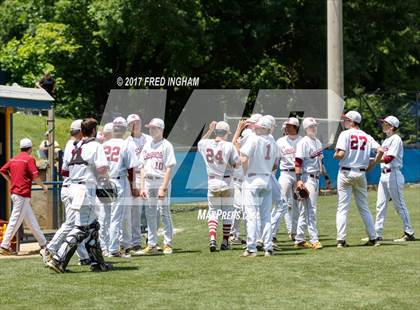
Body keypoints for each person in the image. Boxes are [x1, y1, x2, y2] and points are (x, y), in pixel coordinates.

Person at [47, 118, 112, 273]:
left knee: (92, 227)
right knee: (81, 228)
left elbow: (65, 171)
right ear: (94, 131)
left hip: (73, 187)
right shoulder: (96, 145)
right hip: (84, 189)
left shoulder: (74, 145)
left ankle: (98, 263)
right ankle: (58, 259)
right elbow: (102, 169)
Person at [334, 111, 384, 248]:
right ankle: (373, 238)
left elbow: (341, 154)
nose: (344, 122)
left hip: (345, 173)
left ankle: (341, 240)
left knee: (342, 208)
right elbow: (380, 150)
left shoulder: (345, 134)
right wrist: (373, 165)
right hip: (361, 174)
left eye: (346, 119)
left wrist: (335, 155)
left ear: (351, 121)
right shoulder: (366, 136)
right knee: (364, 207)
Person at [43, 120, 90, 265]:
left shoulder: (72, 144)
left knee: (78, 225)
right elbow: (65, 172)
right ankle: (50, 249)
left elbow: (64, 170)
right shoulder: (76, 145)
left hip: (69, 186)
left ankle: (84, 257)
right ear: (81, 131)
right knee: (72, 224)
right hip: (72, 187)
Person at [134, 118, 176, 255]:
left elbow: (170, 167)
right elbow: (142, 167)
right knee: (150, 214)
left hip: (160, 181)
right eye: (150, 128)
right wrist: (142, 187)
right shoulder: (147, 145)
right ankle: (151, 244)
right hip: (149, 182)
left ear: (161, 129)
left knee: (164, 212)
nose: (151, 130)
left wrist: (163, 187)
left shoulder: (167, 145)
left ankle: (168, 243)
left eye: (154, 128)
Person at [0, 138, 48, 257]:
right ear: (30, 148)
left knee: (31, 222)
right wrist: (43, 186)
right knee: (15, 220)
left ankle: (44, 243)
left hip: (16, 194)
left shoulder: (14, 158)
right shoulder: (29, 159)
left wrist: (11, 181)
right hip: (22, 194)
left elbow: (2, 170)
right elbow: (35, 176)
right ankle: (4, 245)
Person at [370, 116, 415, 242]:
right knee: (380, 205)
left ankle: (409, 232)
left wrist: (372, 161)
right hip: (383, 175)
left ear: (392, 126)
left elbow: (390, 158)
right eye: (383, 123)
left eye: (386, 123)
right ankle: (376, 234)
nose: (383, 125)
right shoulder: (386, 140)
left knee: (399, 205)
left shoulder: (396, 139)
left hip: (393, 174)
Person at [240, 116, 279, 257]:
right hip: (267, 179)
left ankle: (251, 248)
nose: (255, 129)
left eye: (258, 127)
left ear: (264, 128)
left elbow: (243, 157)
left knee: (251, 215)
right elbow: (275, 164)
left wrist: (245, 173)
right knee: (266, 216)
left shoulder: (254, 139)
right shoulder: (273, 142)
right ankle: (268, 248)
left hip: (252, 178)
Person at [198, 121, 240, 252]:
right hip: (227, 182)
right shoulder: (229, 145)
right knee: (227, 213)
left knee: (213, 213)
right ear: (226, 133)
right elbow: (236, 164)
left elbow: (200, 142)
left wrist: (210, 130)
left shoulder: (206, 144)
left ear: (216, 131)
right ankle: (225, 241)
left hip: (212, 182)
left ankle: (212, 239)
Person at [102, 117, 138, 258]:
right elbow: (131, 169)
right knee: (116, 217)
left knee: (105, 217)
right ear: (124, 129)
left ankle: (104, 247)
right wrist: (134, 186)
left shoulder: (104, 145)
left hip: (104, 182)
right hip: (118, 181)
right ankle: (114, 249)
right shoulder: (127, 144)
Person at [293, 117, 324, 250]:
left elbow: (320, 162)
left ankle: (299, 239)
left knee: (305, 210)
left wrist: (326, 177)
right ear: (306, 129)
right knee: (311, 210)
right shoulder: (303, 142)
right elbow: (298, 162)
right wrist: (299, 180)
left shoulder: (317, 142)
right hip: (307, 178)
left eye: (315, 126)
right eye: (311, 126)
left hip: (316, 178)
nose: (314, 128)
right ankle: (314, 239)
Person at [270, 117, 302, 242]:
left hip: (299, 174)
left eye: (289, 126)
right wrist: (272, 176)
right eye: (286, 126)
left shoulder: (302, 141)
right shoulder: (280, 141)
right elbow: (276, 161)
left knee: (297, 205)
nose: (286, 127)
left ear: (295, 127)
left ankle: (294, 232)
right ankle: (272, 233)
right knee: (281, 202)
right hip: (285, 173)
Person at [125, 114, 152, 253]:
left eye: (138, 122)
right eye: (133, 123)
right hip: (134, 176)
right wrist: (133, 184)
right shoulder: (127, 142)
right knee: (135, 211)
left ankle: (151, 239)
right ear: (129, 126)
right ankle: (135, 241)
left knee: (152, 209)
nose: (137, 124)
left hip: (148, 176)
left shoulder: (149, 139)